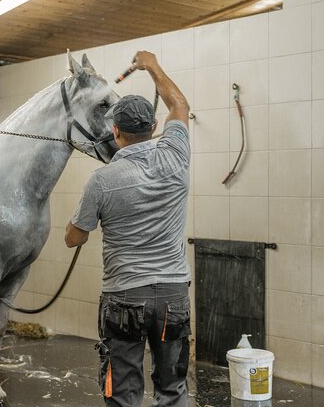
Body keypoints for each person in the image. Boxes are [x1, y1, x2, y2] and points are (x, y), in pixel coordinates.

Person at [65, 51, 191, 407]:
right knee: (173, 387)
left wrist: (80, 222)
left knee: (122, 392)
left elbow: (73, 238)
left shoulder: (101, 181)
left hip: (124, 298)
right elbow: (178, 104)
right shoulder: (176, 156)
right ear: (153, 128)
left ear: (114, 132)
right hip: (172, 297)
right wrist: (151, 65)